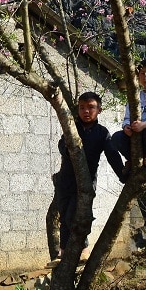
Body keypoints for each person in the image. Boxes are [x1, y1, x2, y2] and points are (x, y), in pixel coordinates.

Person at [53, 91, 125, 257]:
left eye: (91, 107)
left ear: (99, 110)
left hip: (86, 181)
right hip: (66, 179)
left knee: (79, 214)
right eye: (82, 107)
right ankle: (63, 252)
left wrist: (123, 175)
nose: (86, 111)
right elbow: (62, 144)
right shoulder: (72, 128)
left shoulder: (102, 133)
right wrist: (69, 149)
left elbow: (112, 155)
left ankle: (83, 249)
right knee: (64, 216)